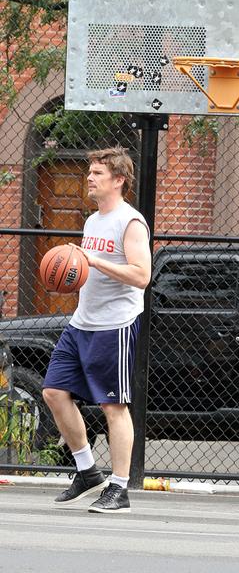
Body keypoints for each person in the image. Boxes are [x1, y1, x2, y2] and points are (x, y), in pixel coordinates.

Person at [43, 146, 151, 514]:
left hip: (113, 325)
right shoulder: (93, 221)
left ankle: (120, 489)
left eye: (98, 173)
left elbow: (142, 276)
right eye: (89, 172)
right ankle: (88, 472)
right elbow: (86, 268)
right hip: (81, 322)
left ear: (118, 180)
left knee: (113, 406)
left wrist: (95, 261)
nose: (89, 177)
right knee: (54, 392)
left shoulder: (130, 222)